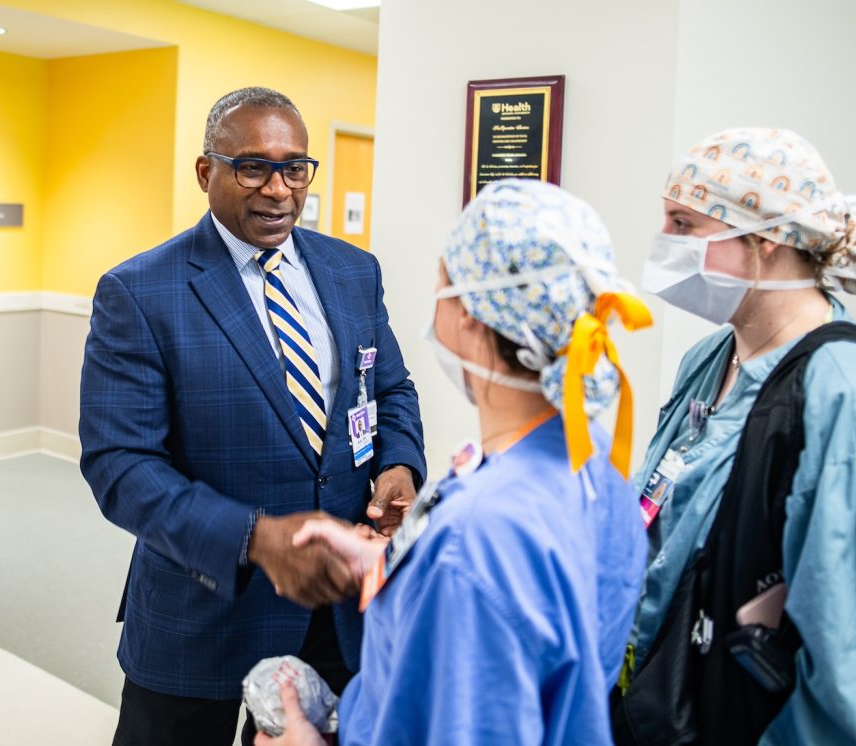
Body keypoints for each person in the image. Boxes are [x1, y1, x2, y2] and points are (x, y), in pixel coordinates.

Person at [79, 86, 425, 746]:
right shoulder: (140, 291)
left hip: (335, 618)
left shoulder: (353, 271)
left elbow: (391, 388)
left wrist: (400, 462)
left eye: (295, 167)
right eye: (253, 167)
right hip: (203, 618)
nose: (279, 190)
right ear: (207, 171)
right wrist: (255, 539)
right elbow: (121, 468)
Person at [254, 179, 653, 745]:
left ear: (468, 315)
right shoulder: (597, 478)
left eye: (443, 282)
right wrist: (392, 561)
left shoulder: (477, 538)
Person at [614, 127, 856, 744]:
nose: (665, 245)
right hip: (668, 701)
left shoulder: (847, 393)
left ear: (763, 238)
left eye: (684, 225)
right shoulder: (711, 360)